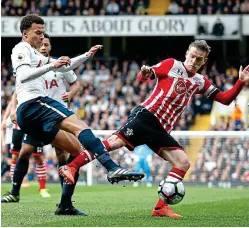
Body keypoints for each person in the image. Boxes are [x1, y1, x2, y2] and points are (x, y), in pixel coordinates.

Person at [60, 40, 249, 218]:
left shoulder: (200, 81)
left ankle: (160, 207)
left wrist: (240, 82)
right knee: (112, 143)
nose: (194, 60)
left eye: (199, 59)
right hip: (146, 117)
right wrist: (146, 72)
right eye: (192, 56)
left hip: (161, 130)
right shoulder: (172, 65)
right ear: (186, 53)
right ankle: (71, 166)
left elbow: (225, 99)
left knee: (183, 162)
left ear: (204, 61)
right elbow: (144, 76)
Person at [8, 13, 143, 201]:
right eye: (37, 33)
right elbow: (23, 76)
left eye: (43, 33)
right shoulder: (20, 49)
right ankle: (112, 167)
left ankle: (65, 204)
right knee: (81, 128)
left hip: (36, 113)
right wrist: (52, 65)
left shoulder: (36, 54)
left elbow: (64, 67)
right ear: (25, 34)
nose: (41, 37)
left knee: (77, 152)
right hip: (34, 105)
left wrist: (86, 56)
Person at [1, 33, 89, 215]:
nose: (43, 47)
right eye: (41, 44)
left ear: (49, 46)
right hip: (36, 114)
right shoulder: (31, 64)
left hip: (57, 116)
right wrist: (15, 109)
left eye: (46, 44)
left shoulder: (60, 65)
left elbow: (76, 84)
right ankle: (15, 192)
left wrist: (71, 94)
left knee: (64, 157)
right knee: (25, 152)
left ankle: (65, 201)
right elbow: (20, 89)